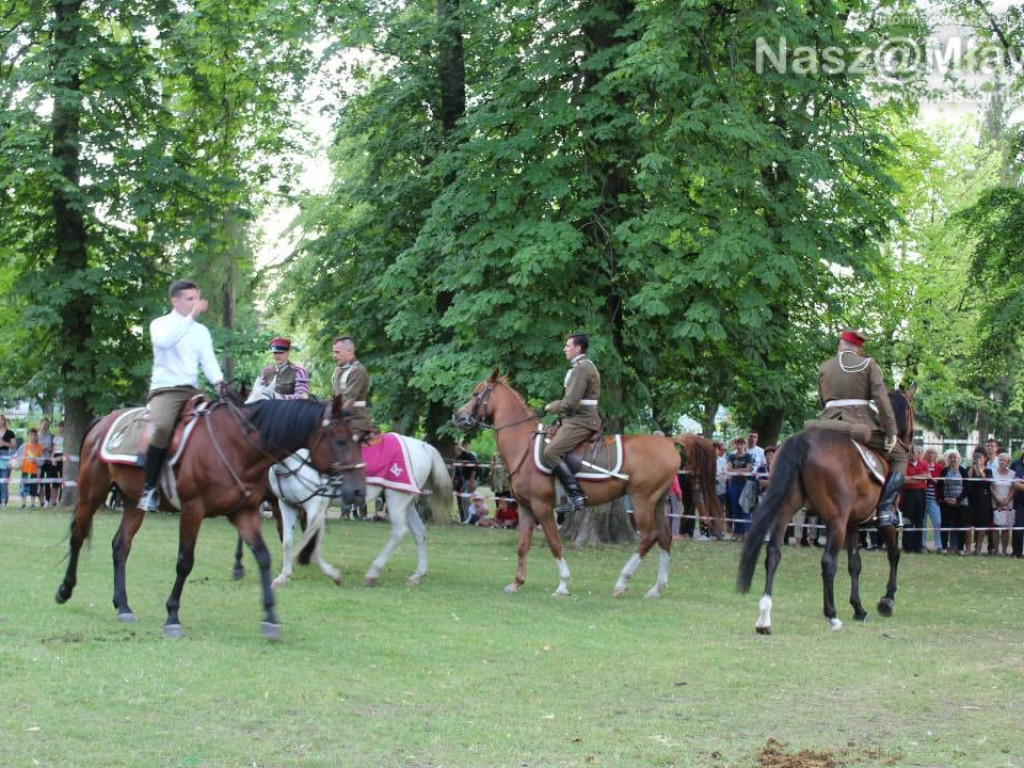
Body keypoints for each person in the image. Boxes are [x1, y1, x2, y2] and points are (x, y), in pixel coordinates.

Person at [139, 279, 226, 513]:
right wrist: (191, 318)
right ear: (174, 301)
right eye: (190, 299)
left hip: (193, 390)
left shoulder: (201, 331)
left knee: (218, 422)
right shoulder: (160, 325)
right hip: (166, 389)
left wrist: (219, 383)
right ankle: (149, 489)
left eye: (197, 298)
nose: (195, 303)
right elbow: (165, 343)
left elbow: (208, 360)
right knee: (162, 427)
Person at [817, 328, 906, 528]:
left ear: (841, 345)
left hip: (828, 423)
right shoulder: (868, 364)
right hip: (859, 424)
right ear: (859, 348)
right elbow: (882, 401)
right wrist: (891, 432)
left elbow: (822, 400)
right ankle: (885, 510)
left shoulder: (824, 367)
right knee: (900, 456)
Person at [542, 332, 600, 515]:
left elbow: (570, 404)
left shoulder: (581, 369)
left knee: (550, 453)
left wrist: (550, 407)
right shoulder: (582, 366)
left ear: (577, 348)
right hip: (575, 419)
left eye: (568, 346)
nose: (564, 349)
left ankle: (576, 497)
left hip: (581, 421)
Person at [331, 336, 372, 442]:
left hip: (356, 422)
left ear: (349, 351)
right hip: (342, 419)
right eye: (334, 352)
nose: (334, 355)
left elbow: (349, 400)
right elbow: (335, 399)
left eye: (337, 352)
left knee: (337, 443)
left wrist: (335, 419)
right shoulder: (338, 370)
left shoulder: (358, 371)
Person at [937, 450, 967, 554]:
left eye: (955, 457)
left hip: (961, 503)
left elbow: (967, 487)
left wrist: (957, 500)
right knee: (945, 525)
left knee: (961, 525)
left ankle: (960, 549)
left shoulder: (963, 471)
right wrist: (944, 499)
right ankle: (944, 548)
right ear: (947, 459)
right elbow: (939, 486)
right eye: (950, 457)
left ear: (959, 459)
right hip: (946, 502)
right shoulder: (944, 471)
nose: (953, 459)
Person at [726, 436, 755, 538]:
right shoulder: (731, 456)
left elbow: (749, 469)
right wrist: (741, 471)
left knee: (745, 508)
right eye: (737, 444)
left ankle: (746, 532)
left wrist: (736, 471)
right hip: (733, 485)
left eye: (741, 444)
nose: (739, 446)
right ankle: (737, 532)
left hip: (745, 485)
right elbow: (729, 469)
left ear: (744, 445)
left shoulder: (748, 456)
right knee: (735, 509)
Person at [965, 448, 993, 556]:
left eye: (979, 457)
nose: (977, 459)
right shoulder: (968, 469)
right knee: (968, 524)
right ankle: (968, 549)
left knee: (982, 525)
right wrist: (973, 468)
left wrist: (980, 470)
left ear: (984, 459)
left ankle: (978, 549)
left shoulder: (988, 471)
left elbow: (987, 482)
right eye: (975, 457)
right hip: (970, 499)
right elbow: (967, 481)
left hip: (983, 500)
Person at [902, 445, 929, 553]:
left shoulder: (924, 464)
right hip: (908, 494)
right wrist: (920, 478)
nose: (912, 454)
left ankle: (918, 547)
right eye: (910, 452)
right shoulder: (904, 465)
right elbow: (904, 480)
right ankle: (907, 547)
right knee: (908, 520)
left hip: (921, 494)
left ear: (918, 454)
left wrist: (912, 479)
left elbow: (927, 476)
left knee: (919, 520)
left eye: (914, 452)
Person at [990, 452, 1015, 556]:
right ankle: (996, 550)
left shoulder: (1012, 473)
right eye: (1000, 459)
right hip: (995, 502)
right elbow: (991, 487)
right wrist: (998, 500)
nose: (1002, 462)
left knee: (1005, 529)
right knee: (995, 528)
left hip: (1007, 503)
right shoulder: (992, 472)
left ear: (1008, 462)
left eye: (1004, 460)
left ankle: (1004, 551)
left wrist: (1006, 500)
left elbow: (1013, 489)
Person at [921, 446, 943, 552]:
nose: (930, 455)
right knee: (922, 522)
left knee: (937, 521)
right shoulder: (922, 465)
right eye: (928, 452)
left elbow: (940, 482)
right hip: (922, 498)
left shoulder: (939, 467)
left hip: (933, 498)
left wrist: (931, 478)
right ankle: (923, 545)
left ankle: (938, 545)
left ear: (936, 455)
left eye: (932, 453)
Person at [15, 427, 43, 508]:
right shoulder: (24, 446)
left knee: (33, 487)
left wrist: (36, 460)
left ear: (37, 436)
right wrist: (14, 462)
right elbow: (17, 455)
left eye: (34, 435)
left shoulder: (39, 447)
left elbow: (42, 460)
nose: (33, 437)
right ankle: (23, 504)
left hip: (35, 471)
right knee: (23, 487)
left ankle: (32, 504)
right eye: (31, 435)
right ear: (28, 436)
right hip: (25, 470)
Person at [452, 440, 479, 521]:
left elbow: (475, 467)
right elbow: (456, 470)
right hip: (463, 482)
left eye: (457, 448)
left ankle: (472, 517)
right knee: (463, 500)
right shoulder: (458, 458)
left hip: (472, 480)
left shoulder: (470, 455)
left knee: (465, 498)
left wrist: (472, 481)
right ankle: (466, 519)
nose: (455, 450)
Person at [37, 417, 57, 508]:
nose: (46, 427)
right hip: (39, 461)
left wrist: (50, 449)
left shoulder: (51, 436)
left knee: (48, 480)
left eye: (48, 425)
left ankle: (48, 500)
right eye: (44, 425)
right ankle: (41, 501)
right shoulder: (36, 436)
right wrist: (42, 448)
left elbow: (55, 448)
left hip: (49, 460)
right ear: (40, 425)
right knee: (39, 482)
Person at [0, 415, 15, 508]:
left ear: (4, 421)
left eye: (1, 419)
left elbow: (13, 445)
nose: (0, 421)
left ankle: (3, 501)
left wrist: (4, 443)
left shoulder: (10, 433)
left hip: (5, 456)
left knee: (4, 480)